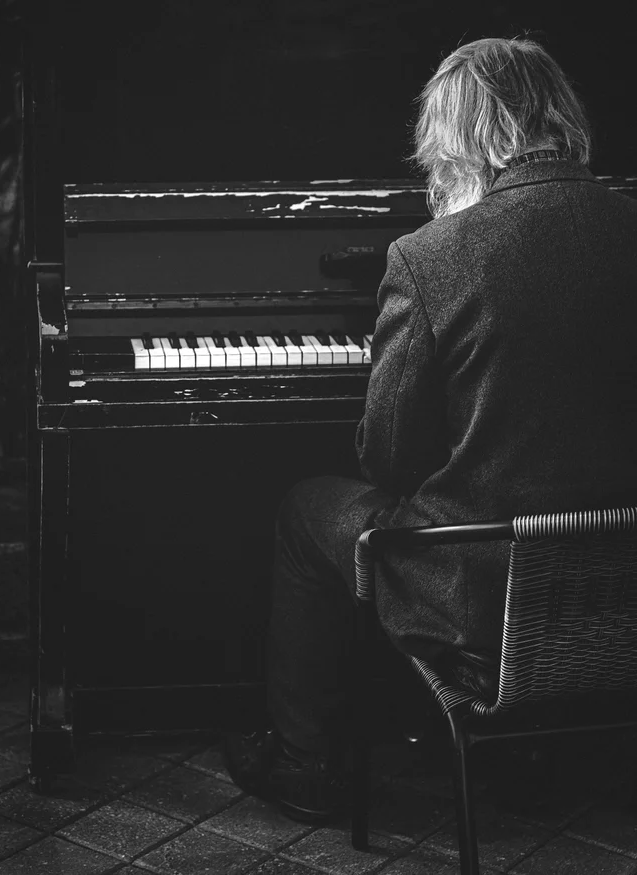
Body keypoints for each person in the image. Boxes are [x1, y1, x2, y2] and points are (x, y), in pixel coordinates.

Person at [223, 36, 637, 823]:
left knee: (308, 506)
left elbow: (389, 458)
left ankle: (306, 760)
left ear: (462, 139)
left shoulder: (434, 255)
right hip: (619, 587)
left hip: (478, 597)